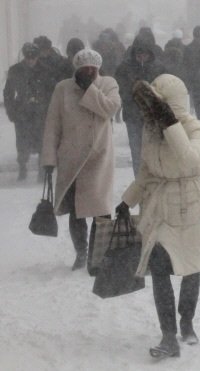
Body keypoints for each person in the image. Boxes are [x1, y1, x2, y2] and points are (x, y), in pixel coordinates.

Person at [116, 75, 200, 358]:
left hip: (192, 206)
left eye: (159, 107)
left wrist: (171, 123)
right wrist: (126, 202)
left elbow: (191, 160)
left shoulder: (195, 127)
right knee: (159, 266)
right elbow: (146, 172)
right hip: (160, 208)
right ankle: (168, 335)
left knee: (190, 267)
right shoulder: (150, 131)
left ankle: (186, 321)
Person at [41, 49, 121, 270]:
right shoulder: (63, 89)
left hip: (98, 156)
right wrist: (49, 158)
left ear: (98, 68)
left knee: (100, 210)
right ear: (76, 69)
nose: (88, 72)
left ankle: (97, 256)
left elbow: (110, 108)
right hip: (72, 157)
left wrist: (90, 89)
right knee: (76, 210)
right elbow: (52, 125)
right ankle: (81, 253)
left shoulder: (108, 84)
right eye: (84, 69)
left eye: (92, 69)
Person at [115, 31, 166, 176]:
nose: (141, 57)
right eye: (139, 54)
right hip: (133, 115)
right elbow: (119, 90)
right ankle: (140, 180)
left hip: (154, 116)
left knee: (154, 150)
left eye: (145, 54)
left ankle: (153, 179)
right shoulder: (124, 68)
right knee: (136, 150)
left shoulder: (159, 68)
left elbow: (166, 89)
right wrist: (133, 94)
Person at [3, 43, 52, 181]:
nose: (30, 61)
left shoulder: (45, 70)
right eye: (28, 57)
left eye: (33, 57)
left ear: (37, 57)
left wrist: (49, 109)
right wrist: (11, 111)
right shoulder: (15, 70)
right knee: (22, 141)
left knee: (42, 141)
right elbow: (8, 93)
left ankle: (41, 171)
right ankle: (22, 167)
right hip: (22, 113)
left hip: (40, 113)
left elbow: (50, 92)